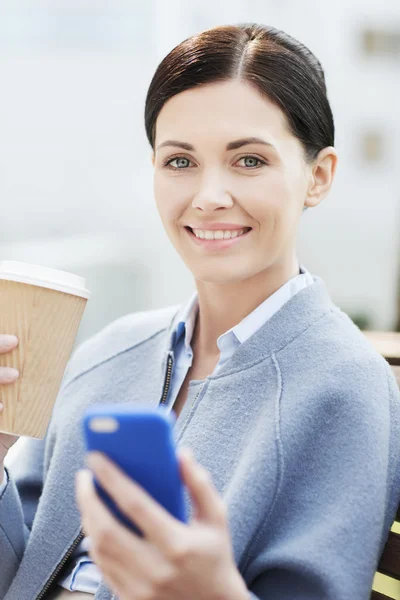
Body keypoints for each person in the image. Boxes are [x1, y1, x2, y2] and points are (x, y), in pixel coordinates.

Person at [0, 22, 399, 600]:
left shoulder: (343, 388)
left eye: (250, 161)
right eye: (180, 162)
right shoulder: (108, 354)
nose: (208, 196)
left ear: (318, 176)